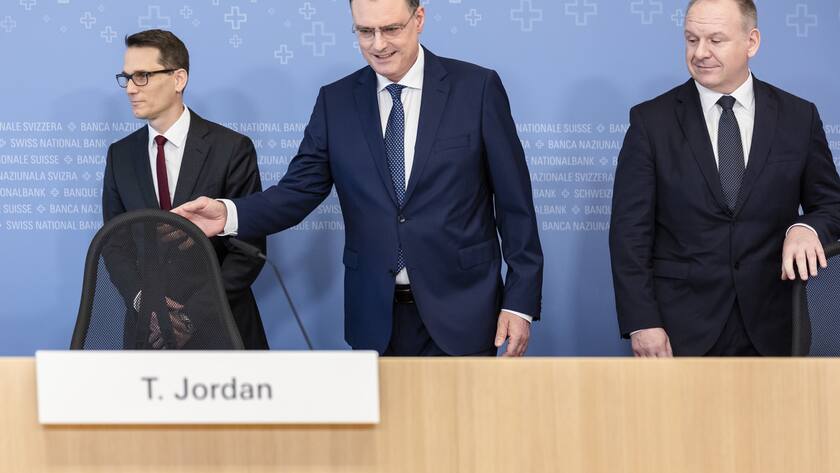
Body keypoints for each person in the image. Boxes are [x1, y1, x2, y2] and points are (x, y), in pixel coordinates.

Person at [174, 0, 543, 356]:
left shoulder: (476, 88)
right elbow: (298, 191)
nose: (378, 44)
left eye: (391, 29)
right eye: (365, 31)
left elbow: (515, 206)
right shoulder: (336, 102)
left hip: (466, 310)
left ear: (419, 19)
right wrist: (228, 214)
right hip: (376, 318)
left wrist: (519, 303)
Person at [610, 0, 840, 357]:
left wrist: (806, 228)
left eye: (715, 40)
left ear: (752, 42)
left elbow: (831, 205)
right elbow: (630, 234)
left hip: (775, 326)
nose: (700, 53)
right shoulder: (650, 122)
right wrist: (643, 321)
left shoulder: (798, 117)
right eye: (691, 39)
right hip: (679, 331)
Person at [103, 29, 269, 349]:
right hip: (147, 334)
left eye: (143, 76)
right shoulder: (120, 155)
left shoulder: (231, 148)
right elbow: (114, 245)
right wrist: (144, 304)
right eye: (127, 78)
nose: (131, 89)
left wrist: (191, 317)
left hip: (221, 328)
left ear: (178, 79)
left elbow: (247, 249)